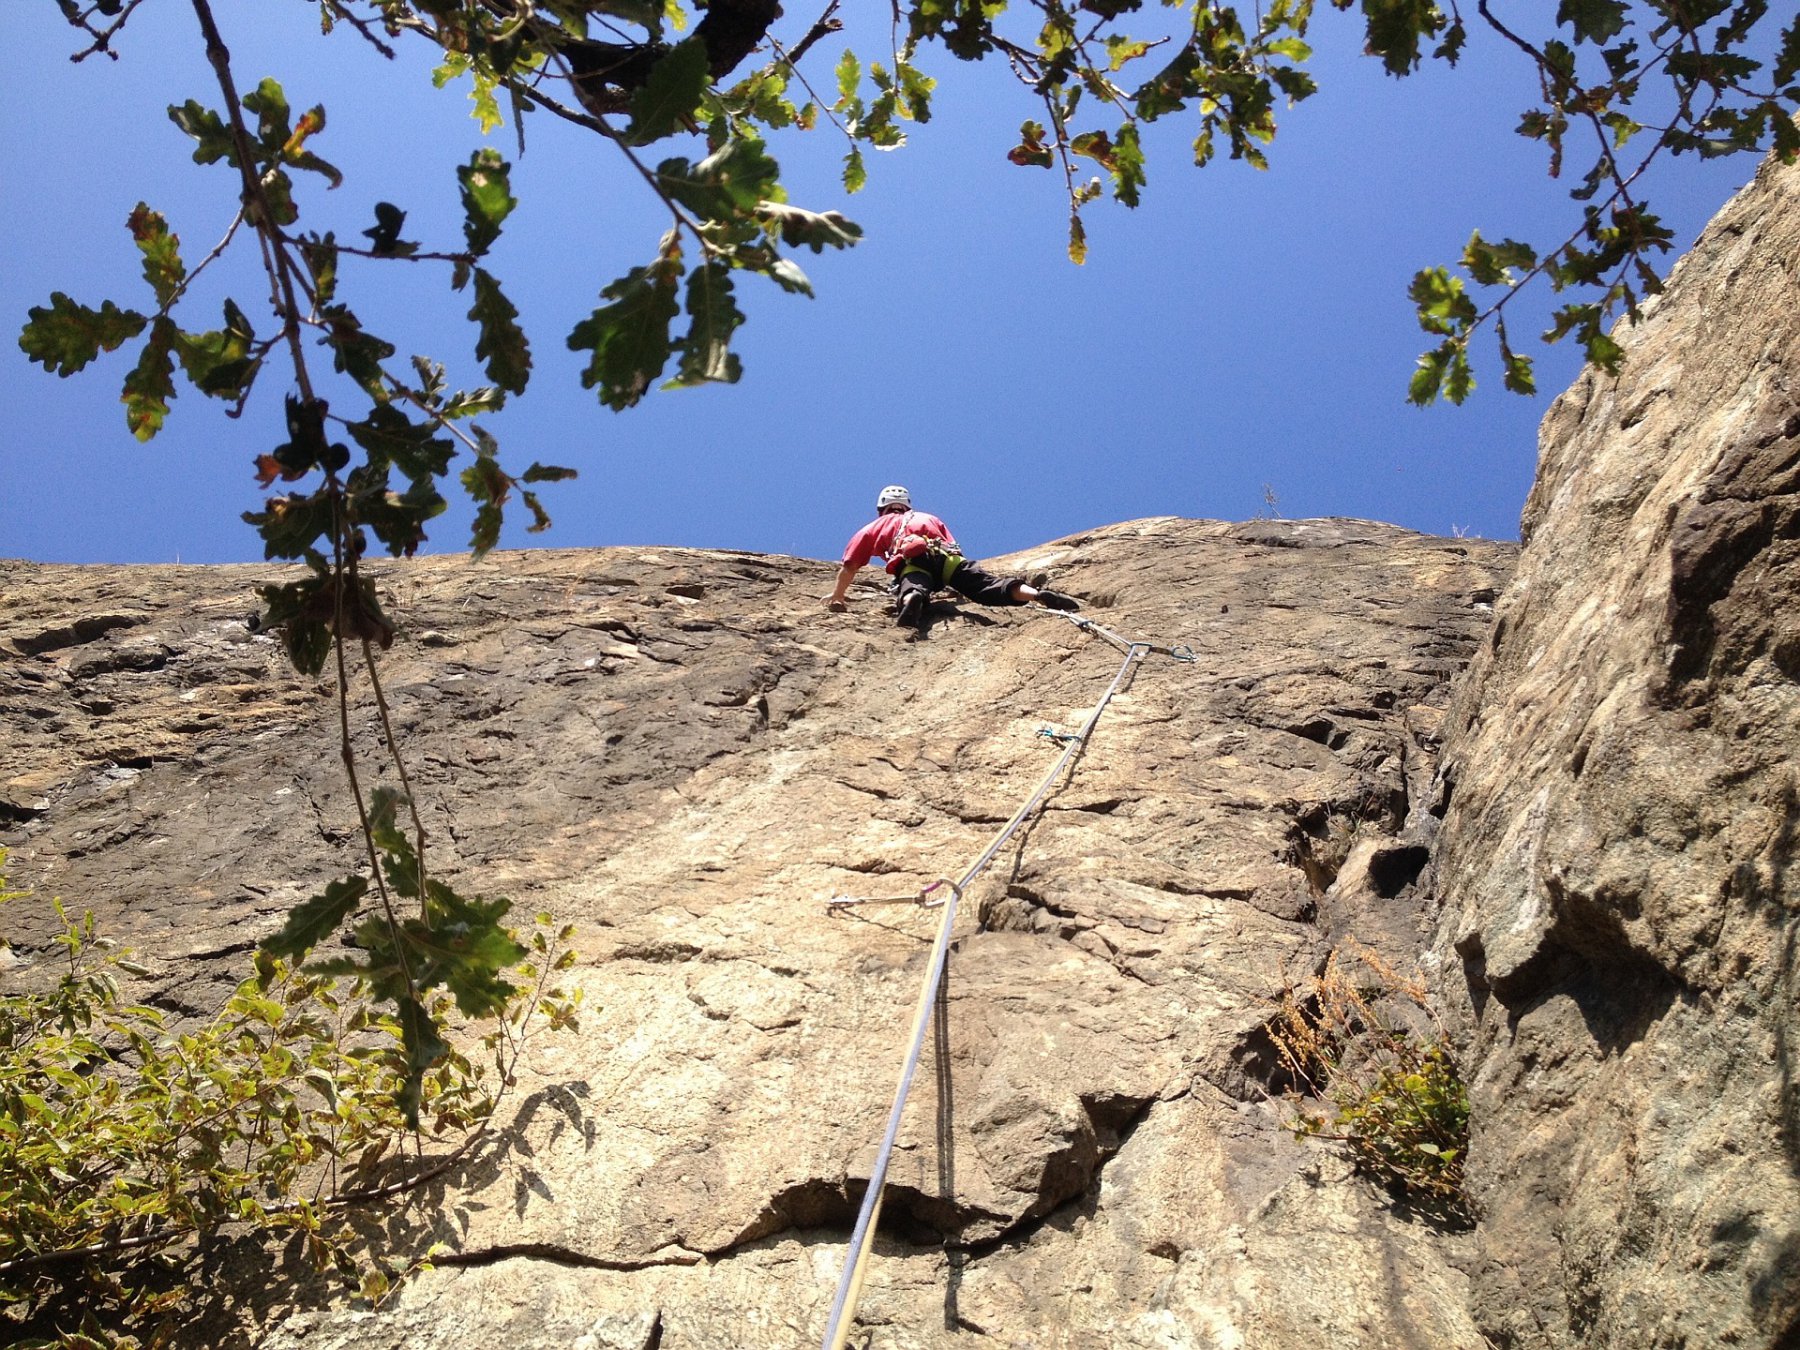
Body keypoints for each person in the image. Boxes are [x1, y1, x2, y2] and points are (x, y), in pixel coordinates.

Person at [823, 485, 1080, 629]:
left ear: (882, 508)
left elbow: (850, 565)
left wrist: (838, 595)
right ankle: (1035, 594)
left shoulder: (871, 528)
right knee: (985, 586)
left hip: (913, 561)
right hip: (948, 559)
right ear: (907, 505)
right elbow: (952, 545)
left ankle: (913, 598)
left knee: (913, 583)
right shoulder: (929, 517)